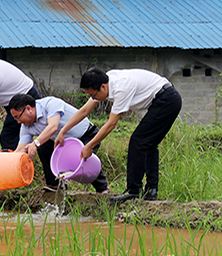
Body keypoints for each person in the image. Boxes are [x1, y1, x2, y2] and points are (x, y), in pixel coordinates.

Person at [55, 67, 182, 204]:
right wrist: (63, 131)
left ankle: (134, 190)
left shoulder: (122, 88)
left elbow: (111, 124)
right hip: (163, 99)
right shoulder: (105, 81)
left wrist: (89, 146)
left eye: (93, 95)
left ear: (103, 87)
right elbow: (84, 110)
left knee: (138, 141)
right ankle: (151, 190)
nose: (93, 98)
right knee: (147, 143)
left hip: (167, 100)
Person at [9, 94, 110, 193]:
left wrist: (35, 143)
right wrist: (8, 163)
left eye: (18, 117)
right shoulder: (26, 127)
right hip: (63, 143)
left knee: (83, 159)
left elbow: (53, 126)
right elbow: (21, 149)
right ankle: (54, 185)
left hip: (85, 135)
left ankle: (103, 189)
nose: (18, 122)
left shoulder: (50, 104)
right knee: (44, 148)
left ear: (28, 109)